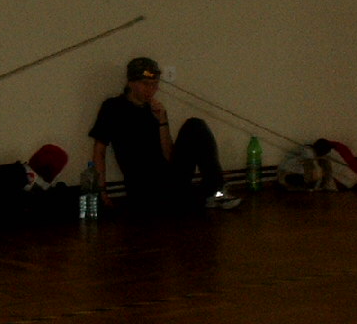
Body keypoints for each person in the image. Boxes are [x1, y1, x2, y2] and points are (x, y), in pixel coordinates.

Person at [88, 57, 242, 213]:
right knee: (183, 199)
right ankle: (202, 196)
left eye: (154, 85)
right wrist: (102, 191)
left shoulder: (153, 109)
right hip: (143, 185)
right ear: (131, 83)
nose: (150, 90)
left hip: (168, 176)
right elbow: (99, 151)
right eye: (145, 84)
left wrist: (162, 121)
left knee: (195, 125)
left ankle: (215, 189)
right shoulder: (113, 107)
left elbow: (168, 154)